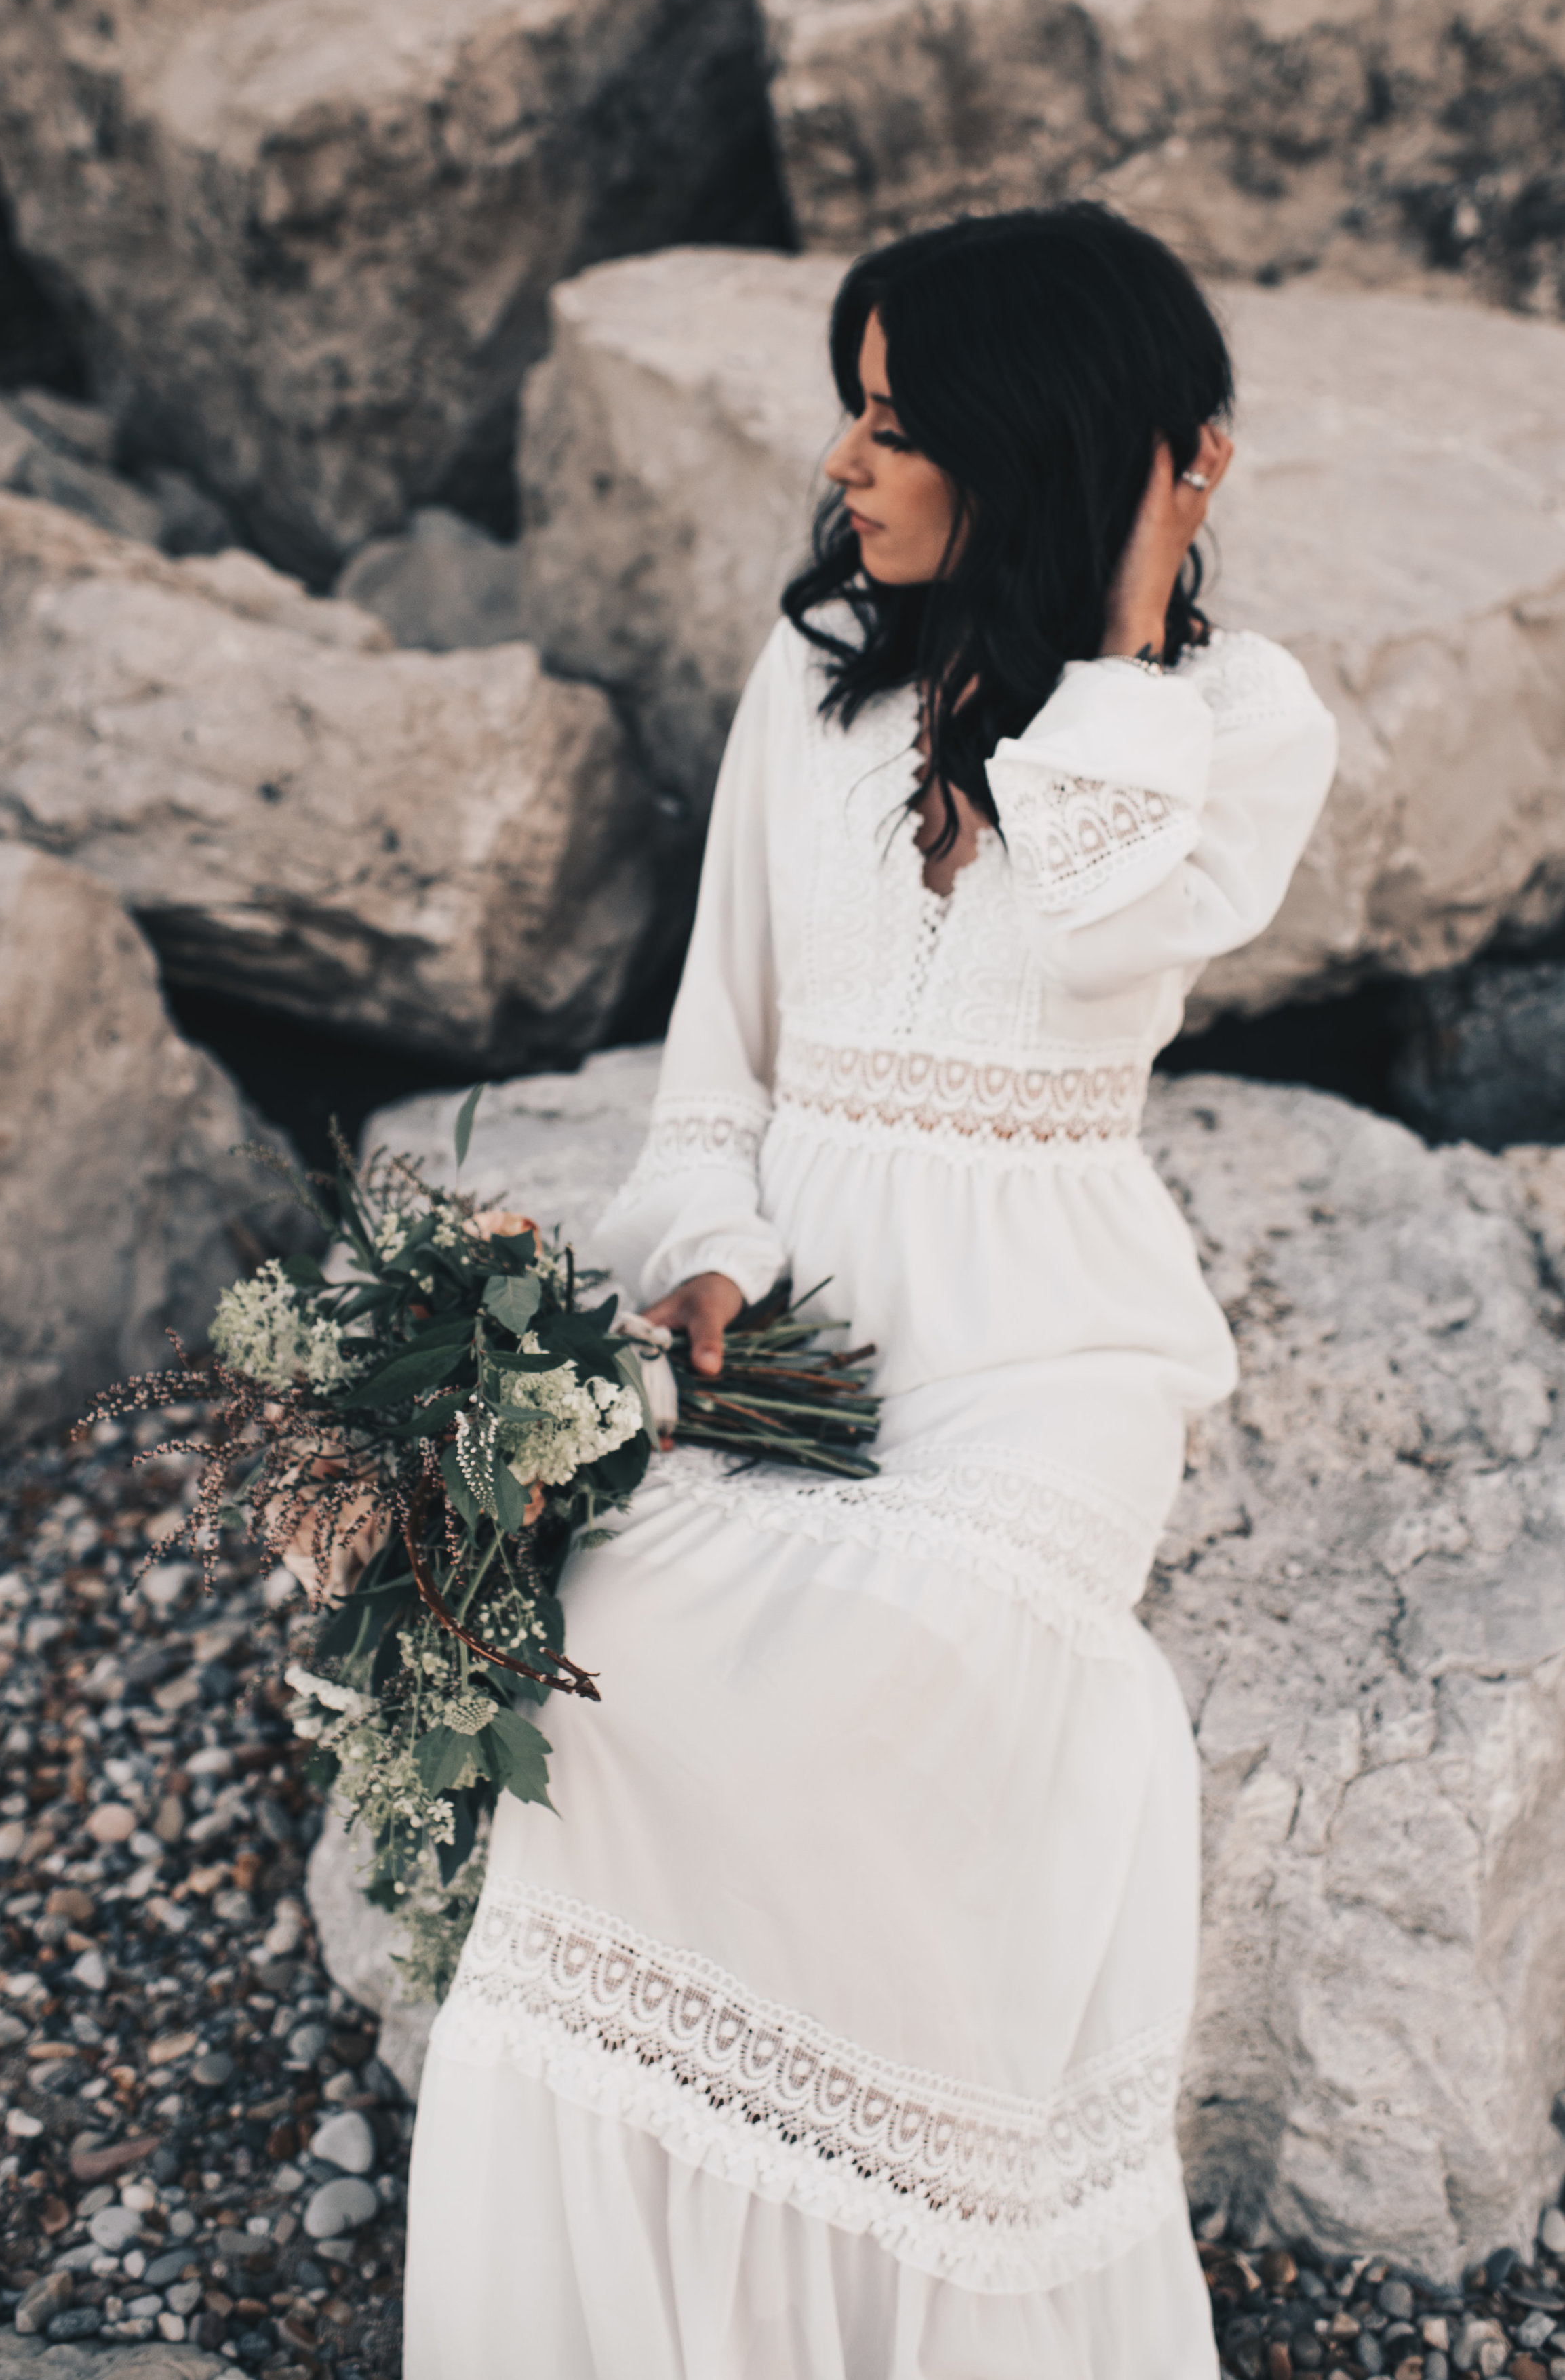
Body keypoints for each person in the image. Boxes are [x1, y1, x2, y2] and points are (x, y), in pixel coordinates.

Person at [402, 203, 1338, 2377]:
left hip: (1044, 1357)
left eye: (901, 420)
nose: (845, 459)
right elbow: (712, 1075)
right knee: (613, 1652)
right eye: (859, 407)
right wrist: (705, 1265)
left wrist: (1118, 595)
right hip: (799, 1320)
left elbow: (1111, 932)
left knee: (895, 1668)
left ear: (1045, 441)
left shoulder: (1223, 719)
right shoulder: (809, 689)